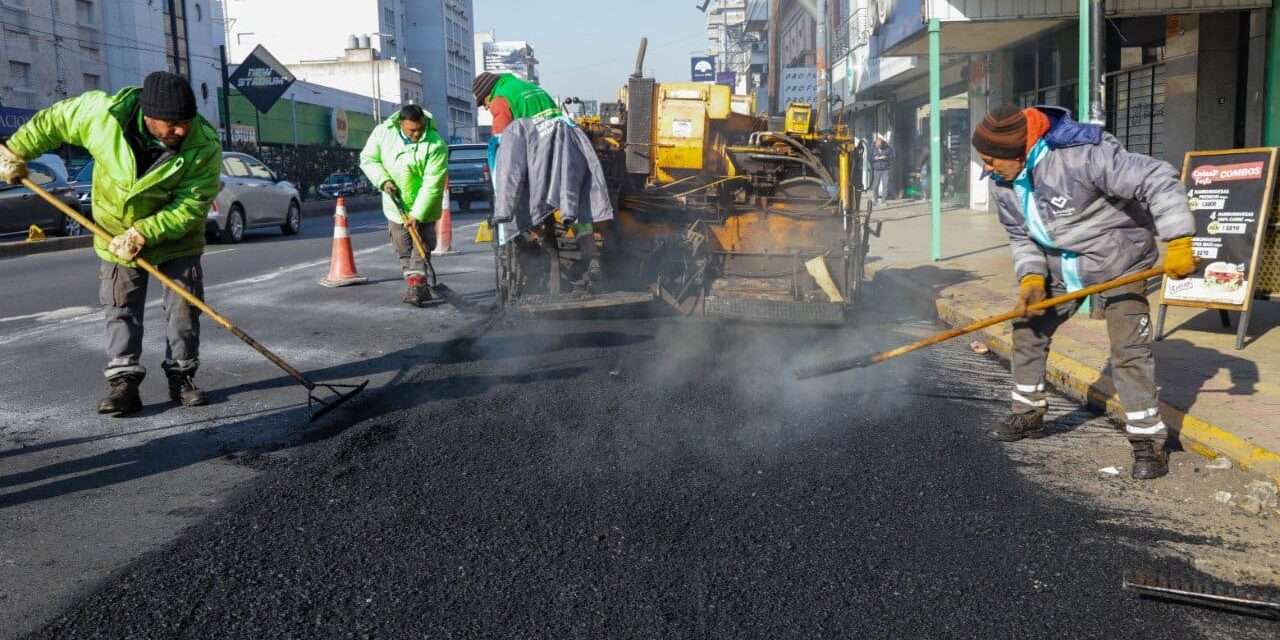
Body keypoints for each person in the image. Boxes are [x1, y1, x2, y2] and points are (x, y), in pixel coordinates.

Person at [972, 104, 1197, 480]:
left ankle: (1147, 442)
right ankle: (1028, 412)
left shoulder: (1082, 155)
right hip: (1060, 266)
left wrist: (1178, 238)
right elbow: (1020, 236)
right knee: (1028, 328)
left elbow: (1156, 177)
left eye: (992, 160)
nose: (987, 170)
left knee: (1128, 350)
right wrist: (1031, 277)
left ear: (1019, 152)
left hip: (1118, 260)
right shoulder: (1002, 184)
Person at [0, 72, 222, 416]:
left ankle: (182, 376)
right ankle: (124, 383)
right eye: (173, 124)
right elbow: (53, 121)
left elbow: (191, 205)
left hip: (176, 237)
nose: (181, 130)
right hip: (113, 233)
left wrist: (143, 233)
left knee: (184, 308)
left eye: (186, 122)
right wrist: (15, 150)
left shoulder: (203, 143)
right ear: (149, 116)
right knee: (121, 307)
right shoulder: (101, 115)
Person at [473, 72, 605, 292]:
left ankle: (549, 253)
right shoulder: (531, 88)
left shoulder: (500, 99)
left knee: (530, 207)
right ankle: (592, 258)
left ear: (488, 93)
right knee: (576, 205)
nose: (486, 108)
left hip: (541, 157)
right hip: (568, 149)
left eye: (484, 103)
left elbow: (503, 141)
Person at [359, 104, 448, 307]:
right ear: (401, 125)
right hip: (395, 205)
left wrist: (417, 214)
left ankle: (417, 286)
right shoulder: (383, 133)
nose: (417, 134)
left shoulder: (436, 145)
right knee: (404, 250)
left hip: (424, 207)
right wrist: (383, 180)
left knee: (422, 245)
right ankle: (417, 284)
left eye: (419, 129)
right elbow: (368, 159)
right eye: (411, 130)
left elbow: (432, 183)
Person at [869, 135, 893, 205]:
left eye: (880, 146)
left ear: (882, 144)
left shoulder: (888, 148)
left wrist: (885, 157)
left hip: (885, 169)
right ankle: (875, 200)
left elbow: (892, 157)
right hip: (876, 169)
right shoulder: (873, 148)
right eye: (878, 146)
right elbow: (869, 158)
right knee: (875, 185)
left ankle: (883, 201)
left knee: (885, 185)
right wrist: (874, 158)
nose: (879, 147)